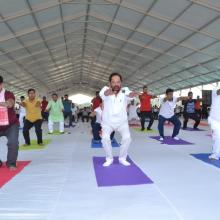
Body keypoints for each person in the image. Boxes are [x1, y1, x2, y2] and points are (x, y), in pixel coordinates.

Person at [99, 72, 137, 167]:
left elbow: (129, 94)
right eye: (114, 82)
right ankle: (109, 158)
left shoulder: (124, 90)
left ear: (121, 83)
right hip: (107, 123)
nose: (116, 84)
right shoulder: (105, 89)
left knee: (127, 138)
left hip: (122, 123)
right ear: (110, 83)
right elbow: (104, 94)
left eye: (118, 82)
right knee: (105, 138)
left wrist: (132, 94)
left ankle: (122, 158)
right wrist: (113, 91)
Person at [0, 76, 19, 170]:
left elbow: (10, 104)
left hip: (11, 124)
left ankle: (11, 163)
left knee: (13, 142)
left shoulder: (8, 93)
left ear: (1, 84)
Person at [208, 88, 220, 160]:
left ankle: (215, 153)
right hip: (216, 121)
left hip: (214, 121)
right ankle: (215, 154)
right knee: (217, 138)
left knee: (216, 138)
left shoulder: (216, 98)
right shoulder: (216, 99)